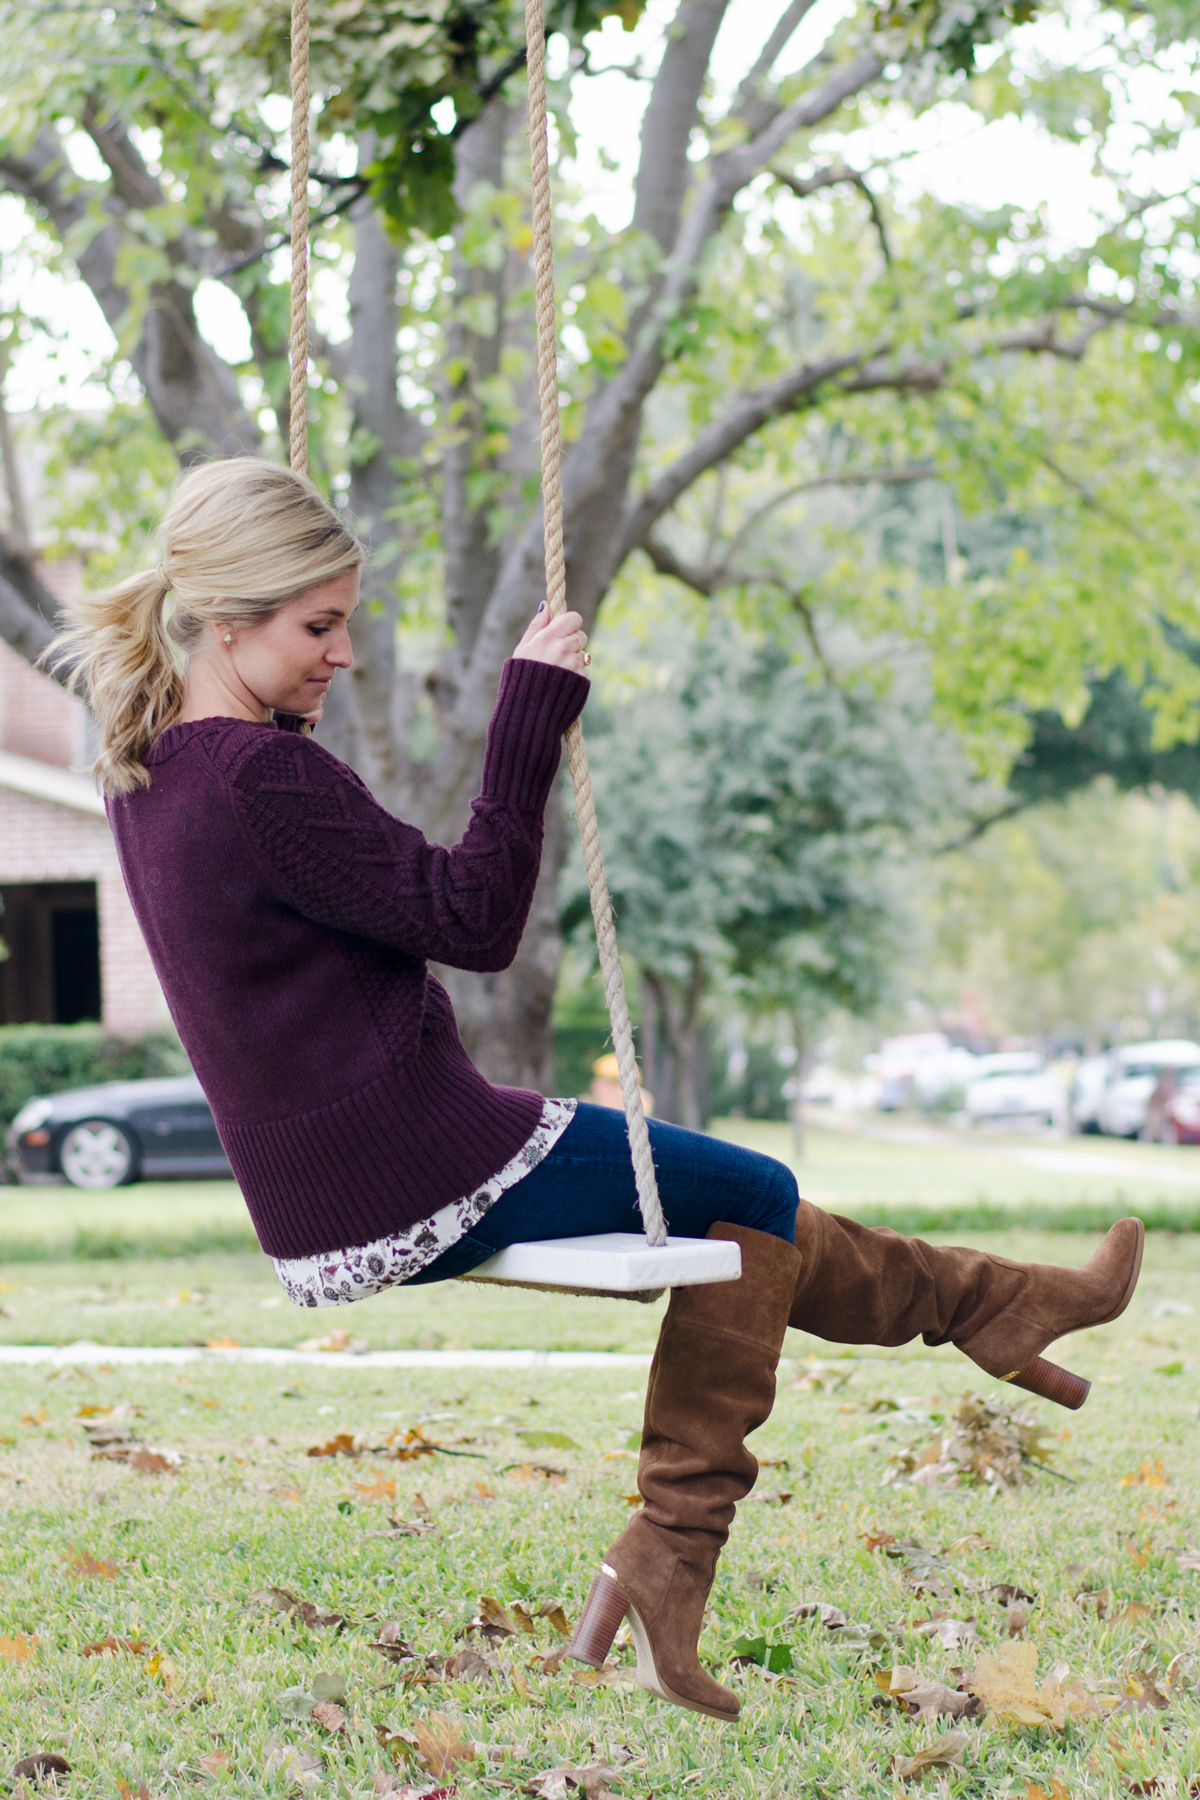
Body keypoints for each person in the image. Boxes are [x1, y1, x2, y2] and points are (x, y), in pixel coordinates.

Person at [51, 456, 1144, 1723]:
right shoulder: (261, 776)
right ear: (227, 618)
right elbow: (475, 918)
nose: (343, 653)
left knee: (742, 1206)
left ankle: (999, 1308)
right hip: (420, 1161)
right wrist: (530, 711)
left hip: (319, 1191)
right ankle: (676, 1546)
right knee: (755, 1195)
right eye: (318, 626)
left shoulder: (151, 769)